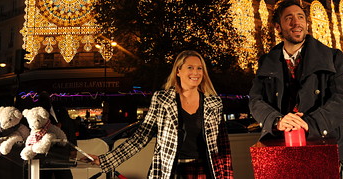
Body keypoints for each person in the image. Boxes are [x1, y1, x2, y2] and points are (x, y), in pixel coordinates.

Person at [85, 50, 233, 178]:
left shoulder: (214, 102)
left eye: (199, 68)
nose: (196, 72)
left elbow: (223, 146)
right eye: (190, 67)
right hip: (170, 171)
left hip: (205, 171)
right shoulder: (162, 99)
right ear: (178, 71)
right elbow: (140, 137)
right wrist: (106, 160)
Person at [249, 0, 343, 177]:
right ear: (278, 27)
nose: (296, 22)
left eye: (300, 17)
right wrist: (277, 121)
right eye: (289, 18)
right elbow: (255, 100)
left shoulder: (332, 56)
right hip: (280, 153)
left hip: (323, 149)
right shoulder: (266, 61)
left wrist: (310, 123)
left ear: (306, 23)